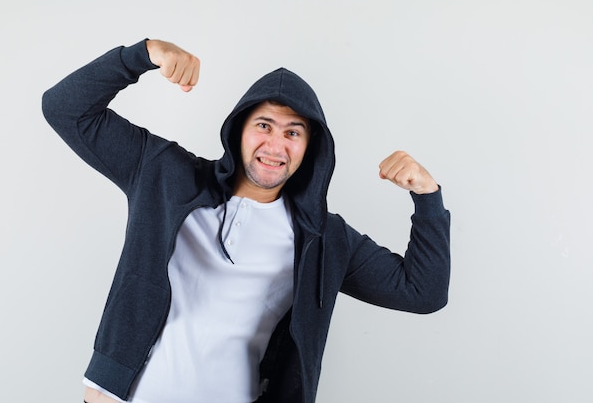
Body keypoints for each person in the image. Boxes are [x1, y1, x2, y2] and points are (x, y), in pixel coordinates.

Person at [42, 38, 450, 403]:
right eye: (264, 125)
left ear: (311, 148)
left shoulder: (323, 237)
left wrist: (427, 197)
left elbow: (422, 293)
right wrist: (143, 54)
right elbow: (64, 109)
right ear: (239, 130)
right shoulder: (165, 176)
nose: (275, 145)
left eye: (293, 133)